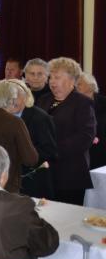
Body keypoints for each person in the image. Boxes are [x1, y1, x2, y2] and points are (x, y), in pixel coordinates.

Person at [37, 57, 96, 205]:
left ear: (71, 80)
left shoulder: (82, 103)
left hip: (70, 174)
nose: (52, 82)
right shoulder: (43, 100)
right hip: (44, 172)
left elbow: (85, 137)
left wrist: (52, 150)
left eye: (57, 77)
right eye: (50, 77)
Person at [8, 79, 57, 200]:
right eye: (8, 97)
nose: (12, 101)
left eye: (16, 97)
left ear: (25, 97)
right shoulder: (1, 116)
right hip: (8, 179)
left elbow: (49, 150)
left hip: (33, 181)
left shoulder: (40, 118)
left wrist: (22, 156)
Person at [77, 72, 106, 170]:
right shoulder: (71, 103)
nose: (75, 86)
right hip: (80, 154)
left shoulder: (104, 103)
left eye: (79, 83)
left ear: (91, 86)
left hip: (101, 154)